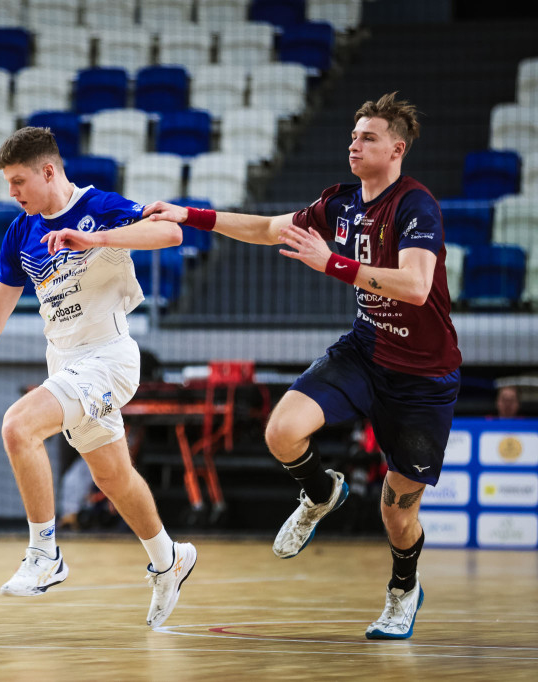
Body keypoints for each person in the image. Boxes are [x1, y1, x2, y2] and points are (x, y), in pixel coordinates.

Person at [145, 92, 461, 640]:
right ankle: (320, 493)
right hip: (365, 351)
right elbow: (269, 228)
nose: (354, 143)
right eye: (353, 134)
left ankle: (403, 591)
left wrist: (333, 263)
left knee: (397, 515)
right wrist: (190, 216)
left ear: (397, 148)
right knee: (282, 431)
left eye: (368, 137)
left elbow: (415, 287)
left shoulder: (416, 206)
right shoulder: (339, 204)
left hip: (423, 379)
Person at [0, 126, 198, 628]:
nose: (12, 193)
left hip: (110, 358)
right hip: (66, 363)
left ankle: (45, 554)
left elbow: (172, 233)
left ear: (48, 171)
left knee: (18, 426)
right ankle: (170, 559)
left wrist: (95, 236)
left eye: (17, 182)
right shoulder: (21, 231)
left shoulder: (102, 206)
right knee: (113, 476)